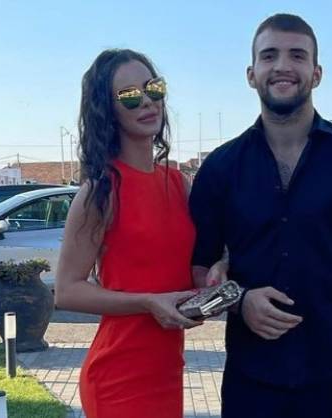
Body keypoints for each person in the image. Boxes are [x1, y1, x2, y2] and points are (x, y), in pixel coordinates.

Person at [189, 14, 332, 418]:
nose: (283, 65)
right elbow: (199, 272)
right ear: (251, 74)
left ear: (316, 73)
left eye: (297, 55)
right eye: (269, 55)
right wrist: (239, 301)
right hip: (248, 390)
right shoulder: (220, 169)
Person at [54, 49, 224, 418]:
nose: (147, 101)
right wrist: (147, 302)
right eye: (130, 96)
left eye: (153, 88)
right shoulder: (101, 191)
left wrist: (215, 277)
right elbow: (66, 290)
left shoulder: (178, 183)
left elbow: (191, 267)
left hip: (167, 371)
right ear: (107, 110)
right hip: (118, 378)